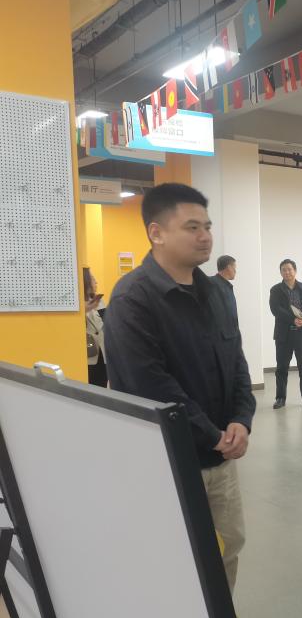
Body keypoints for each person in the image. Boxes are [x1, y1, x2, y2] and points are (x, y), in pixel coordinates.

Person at [104, 183, 255, 593]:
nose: (205, 236)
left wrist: (241, 419)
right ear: (156, 232)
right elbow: (150, 384)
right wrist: (213, 435)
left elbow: (237, 362)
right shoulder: (132, 299)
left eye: (207, 226)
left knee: (227, 548)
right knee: (174, 560)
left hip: (221, 459)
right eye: (192, 227)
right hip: (168, 461)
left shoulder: (219, 293)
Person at [269, 259, 302, 409]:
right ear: (280, 272)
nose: (287, 272)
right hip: (283, 334)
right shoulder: (275, 290)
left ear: (295, 271)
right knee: (281, 368)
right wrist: (293, 319)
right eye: (284, 270)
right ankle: (280, 398)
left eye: (289, 269)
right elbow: (276, 309)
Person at [83, 267, 107, 387]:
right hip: (89, 355)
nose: (96, 282)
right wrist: (85, 310)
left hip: (103, 354)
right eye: (92, 278)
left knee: (102, 384)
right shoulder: (78, 304)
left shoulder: (99, 301)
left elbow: (106, 323)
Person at [212, 255, 237, 319]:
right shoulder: (212, 284)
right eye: (234, 268)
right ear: (229, 268)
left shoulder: (228, 287)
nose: (235, 271)